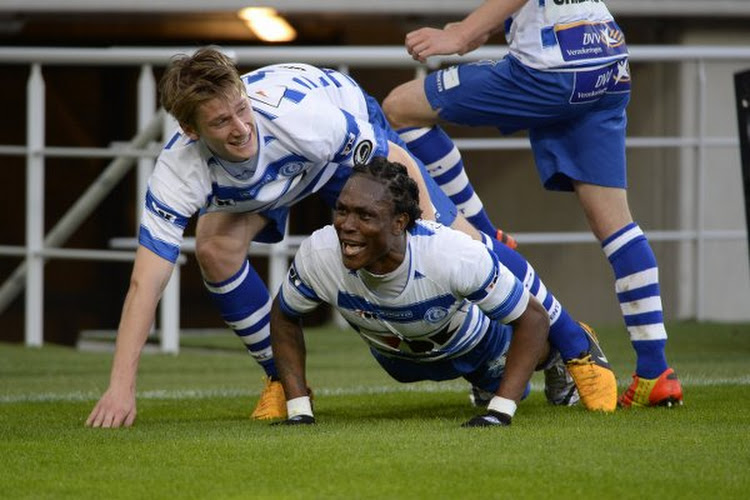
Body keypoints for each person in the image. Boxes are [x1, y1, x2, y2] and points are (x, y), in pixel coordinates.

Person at [85, 46, 502, 429]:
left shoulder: (298, 117)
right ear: (191, 131)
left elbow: (393, 159)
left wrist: (430, 226)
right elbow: (146, 281)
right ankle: (282, 381)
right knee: (215, 248)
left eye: (240, 109)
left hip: (330, 147)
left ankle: (560, 344)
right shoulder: (177, 170)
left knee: (451, 240)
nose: (240, 127)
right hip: (275, 176)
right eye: (220, 121)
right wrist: (120, 386)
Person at [381, 0, 683, 408]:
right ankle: (655, 371)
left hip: (553, 66)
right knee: (617, 225)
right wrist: (481, 28)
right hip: (606, 57)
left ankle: (480, 232)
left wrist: (464, 32)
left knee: (401, 108)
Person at [270, 158, 612, 426]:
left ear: (399, 222)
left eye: (365, 215)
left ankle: (556, 355)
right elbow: (284, 314)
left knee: (509, 380)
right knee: (408, 369)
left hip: (475, 344)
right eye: (342, 210)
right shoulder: (320, 253)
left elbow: (534, 318)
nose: (346, 225)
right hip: (401, 359)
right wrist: (299, 408)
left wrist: (500, 411)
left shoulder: (450, 254)